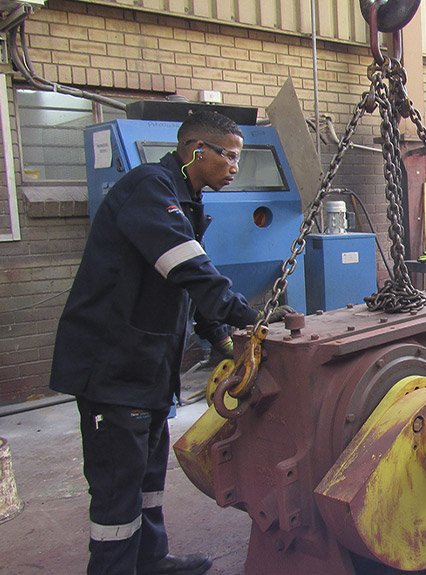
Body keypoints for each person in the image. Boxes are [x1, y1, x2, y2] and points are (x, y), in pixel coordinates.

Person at [50, 111, 279, 574]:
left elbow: (182, 289)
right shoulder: (149, 189)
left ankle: (151, 560)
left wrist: (221, 338)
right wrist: (250, 318)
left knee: (149, 474)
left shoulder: (185, 200)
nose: (235, 166)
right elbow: (187, 268)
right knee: (118, 487)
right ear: (196, 150)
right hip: (112, 366)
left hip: (148, 366)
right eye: (229, 156)